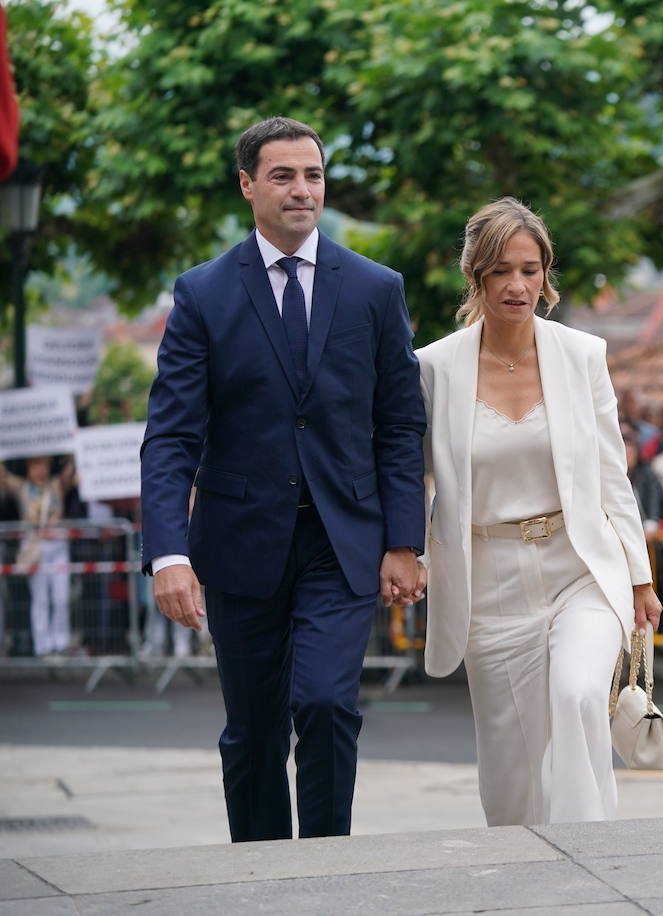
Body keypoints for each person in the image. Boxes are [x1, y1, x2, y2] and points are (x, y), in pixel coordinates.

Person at [140, 117, 427, 843]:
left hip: (342, 542)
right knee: (255, 731)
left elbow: (399, 424)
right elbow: (171, 435)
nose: (303, 190)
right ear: (247, 185)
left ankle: (327, 865)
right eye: (283, 176)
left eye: (313, 175)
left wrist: (404, 540)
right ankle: (261, 872)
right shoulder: (203, 294)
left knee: (329, 705)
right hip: (239, 545)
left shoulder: (374, 288)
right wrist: (168, 554)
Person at [416, 197, 661, 827]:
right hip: (488, 583)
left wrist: (639, 574)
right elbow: (410, 476)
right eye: (501, 270)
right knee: (510, 773)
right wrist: (406, 554)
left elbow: (613, 472)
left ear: (545, 276)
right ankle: (523, 871)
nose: (517, 285)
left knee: (580, 695)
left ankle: (589, 854)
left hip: (577, 566)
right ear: (477, 276)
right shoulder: (434, 368)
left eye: (530, 269)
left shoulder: (583, 356)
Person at [3, 456, 76, 657]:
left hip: (58, 546)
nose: (41, 470)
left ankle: (61, 643)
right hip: (36, 549)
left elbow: (71, 473)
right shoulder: (22, 488)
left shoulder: (56, 486)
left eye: (45, 465)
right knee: (40, 599)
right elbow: (4, 477)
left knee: (61, 597)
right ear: (28, 468)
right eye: (37, 466)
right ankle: (42, 645)